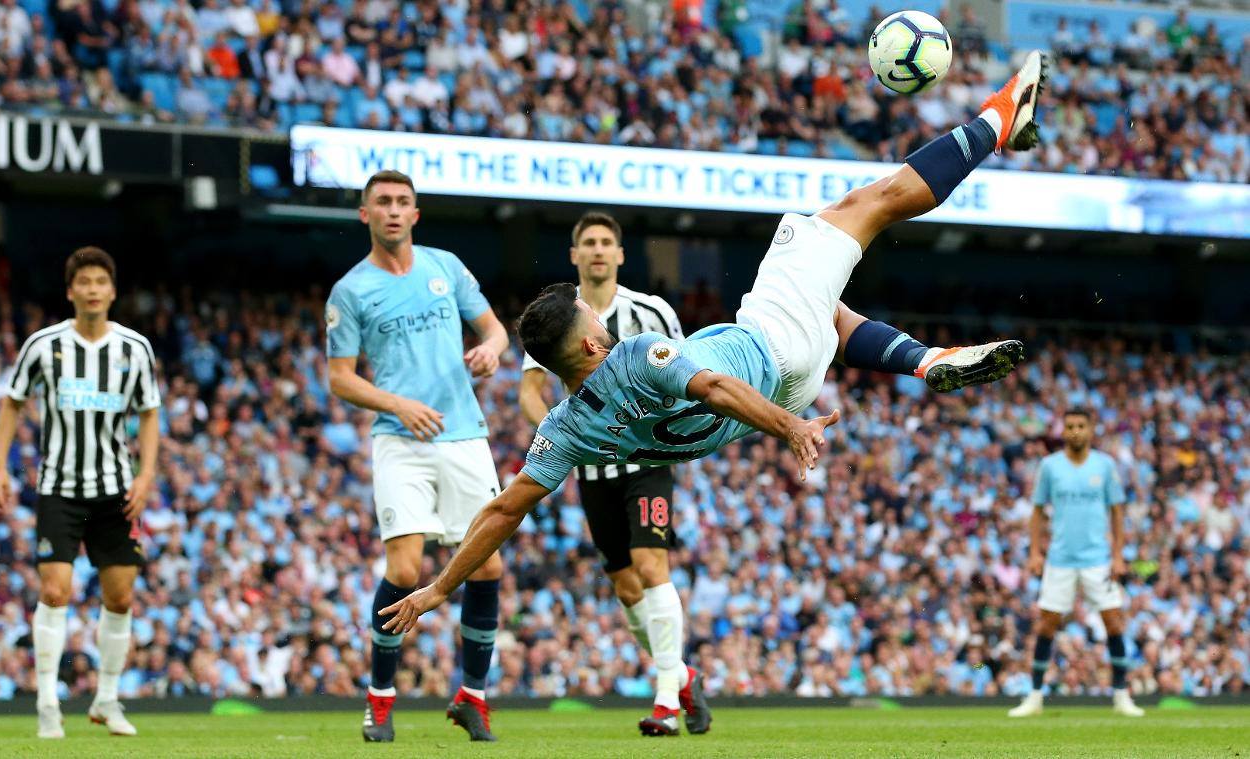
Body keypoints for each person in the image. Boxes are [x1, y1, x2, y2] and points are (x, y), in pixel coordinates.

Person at [379, 51, 1050, 638]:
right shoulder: (639, 354)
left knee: (832, 309)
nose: (598, 314)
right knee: (863, 205)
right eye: (590, 314)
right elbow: (717, 388)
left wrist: (440, 587)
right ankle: (1001, 114)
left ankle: (924, 359)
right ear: (588, 343)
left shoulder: (565, 429)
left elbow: (503, 508)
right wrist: (790, 427)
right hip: (770, 358)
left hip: (790, 372)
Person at [324, 169, 510, 742]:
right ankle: (380, 700)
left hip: (462, 433)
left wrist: (491, 351)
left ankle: (472, 698)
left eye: (403, 202)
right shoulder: (351, 290)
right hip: (400, 439)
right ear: (366, 215)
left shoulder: (445, 267)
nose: (394, 211)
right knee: (405, 571)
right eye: (382, 202)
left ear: (416, 214)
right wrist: (397, 404)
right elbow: (339, 379)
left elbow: (495, 330)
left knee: (488, 564)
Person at [518, 211, 709, 736]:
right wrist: (566, 442)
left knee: (652, 566)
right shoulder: (558, 319)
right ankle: (681, 674)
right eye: (589, 243)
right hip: (593, 468)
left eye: (607, 242)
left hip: (647, 459)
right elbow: (529, 394)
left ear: (621, 254)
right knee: (627, 590)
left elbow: (686, 373)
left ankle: (667, 701)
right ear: (575, 255)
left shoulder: (651, 311)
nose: (599, 250)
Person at [0, 246, 161, 739]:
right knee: (55, 590)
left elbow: (149, 414)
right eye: (82, 281)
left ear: (111, 290)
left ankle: (106, 698)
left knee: (121, 597)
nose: (91, 289)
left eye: (99, 282)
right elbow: (12, 403)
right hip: (59, 488)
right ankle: (47, 702)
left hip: (115, 491)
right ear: (71, 291)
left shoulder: (135, 349)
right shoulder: (43, 346)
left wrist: (146, 475)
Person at [1008, 408, 1145, 718]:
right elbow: (1038, 510)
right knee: (1046, 625)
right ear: (1064, 430)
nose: (1075, 431)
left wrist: (1119, 555)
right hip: (1060, 559)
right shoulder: (1050, 466)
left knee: (1113, 622)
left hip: (1097, 558)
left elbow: (1117, 511)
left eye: (1081, 426)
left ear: (1091, 429)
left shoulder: (1105, 465)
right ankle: (1035, 697)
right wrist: (1034, 553)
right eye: (1070, 426)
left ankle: (1121, 696)